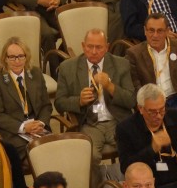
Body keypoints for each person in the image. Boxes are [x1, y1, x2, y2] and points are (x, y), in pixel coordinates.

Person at [54, 28, 136, 165]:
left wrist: (110, 86)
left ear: (107, 47)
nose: (93, 51)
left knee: (135, 149)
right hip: (90, 124)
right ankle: (98, 180)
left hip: (117, 121)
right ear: (83, 46)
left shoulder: (121, 64)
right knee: (89, 157)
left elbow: (131, 100)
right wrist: (79, 101)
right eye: (89, 46)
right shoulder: (67, 68)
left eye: (98, 47)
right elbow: (59, 103)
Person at [116, 84, 177, 188]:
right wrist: (151, 149)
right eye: (152, 112)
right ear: (140, 108)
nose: (158, 116)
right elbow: (126, 167)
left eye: (162, 110)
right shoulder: (126, 128)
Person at [0, 36, 50, 163]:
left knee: (54, 148)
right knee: (37, 157)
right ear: (5, 58)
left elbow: (46, 105)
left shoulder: (36, 74)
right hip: (14, 132)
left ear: (27, 57)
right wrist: (23, 127)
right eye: (12, 57)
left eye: (21, 56)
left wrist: (41, 123)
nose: (17, 61)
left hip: (38, 129)